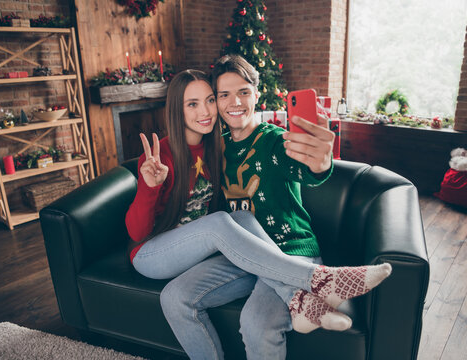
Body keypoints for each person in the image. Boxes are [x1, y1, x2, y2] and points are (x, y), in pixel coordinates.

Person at [157, 56, 391, 360]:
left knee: (256, 325)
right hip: (242, 255)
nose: (234, 102)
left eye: (243, 92)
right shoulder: (217, 147)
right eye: (223, 95)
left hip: (290, 251)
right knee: (174, 297)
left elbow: (304, 168)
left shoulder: (275, 141)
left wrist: (320, 164)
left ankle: (314, 284)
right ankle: (307, 298)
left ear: (257, 94)